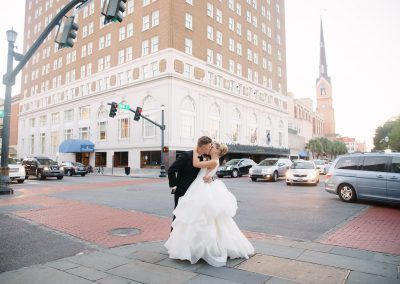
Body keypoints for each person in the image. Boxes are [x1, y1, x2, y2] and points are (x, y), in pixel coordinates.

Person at [165, 142, 254, 267]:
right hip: (193, 188)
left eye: (212, 147)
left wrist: (196, 150)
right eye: (209, 146)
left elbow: (197, 164)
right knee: (186, 217)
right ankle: (181, 245)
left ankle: (203, 249)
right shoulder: (210, 159)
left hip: (201, 190)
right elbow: (209, 172)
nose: (210, 148)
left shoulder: (213, 160)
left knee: (201, 219)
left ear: (217, 151)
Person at [168, 136, 213, 210]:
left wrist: (211, 179)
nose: (210, 148)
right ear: (203, 146)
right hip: (183, 190)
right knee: (179, 213)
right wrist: (174, 185)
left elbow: (205, 173)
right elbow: (172, 169)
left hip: (196, 190)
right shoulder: (187, 155)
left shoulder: (205, 158)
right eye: (209, 146)